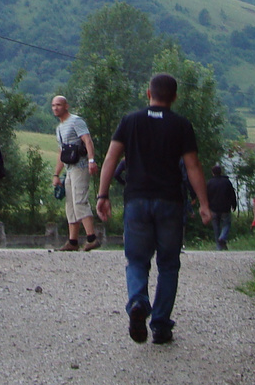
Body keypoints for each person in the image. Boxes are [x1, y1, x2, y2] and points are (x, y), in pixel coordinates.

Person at [95, 73, 212, 345]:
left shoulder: (130, 121)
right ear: (174, 97)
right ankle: (160, 325)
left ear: (148, 94)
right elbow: (193, 166)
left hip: (137, 201)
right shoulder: (181, 125)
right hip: (170, 202)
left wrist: (102, 194)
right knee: (169, 265)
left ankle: (138, 301)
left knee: (137, 260)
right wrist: (204, 203)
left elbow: (111, 157)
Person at [51, 95, 101, 251]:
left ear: (66, 106)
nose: (55, 108)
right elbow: (62, 152)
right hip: (70, 168)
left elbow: (87, 140)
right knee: (71, 204)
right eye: (53, 105)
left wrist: (91, 160)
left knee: (80, 200)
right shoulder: (59, 128)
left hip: (80, 166)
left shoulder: (76, 121)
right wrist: (56, 174)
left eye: (58, 105)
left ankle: (91, 238)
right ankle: (73, 241)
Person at [205, 164, 238, 250]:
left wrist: (206, 206)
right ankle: (222, 238)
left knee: (216, 227)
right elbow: (232, 194)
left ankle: (219, 246)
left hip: (213, 208)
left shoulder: (209, 183)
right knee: (226, 224)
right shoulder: (226, 182)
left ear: (212, 173)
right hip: (225, 208)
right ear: (221, 172)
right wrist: (234, 204)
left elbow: (206, 195)